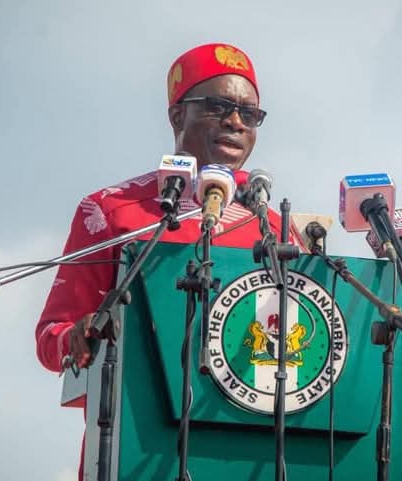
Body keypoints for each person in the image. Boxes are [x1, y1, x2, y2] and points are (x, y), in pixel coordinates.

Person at [35, 42, 302, 477]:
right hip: (136, 451)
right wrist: (78, 337)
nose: (236, 122)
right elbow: (51, 338)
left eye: (249, 114)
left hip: (249, 451)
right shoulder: (112, 211)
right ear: (177, 115)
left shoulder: (275, 230)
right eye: (218, 106)